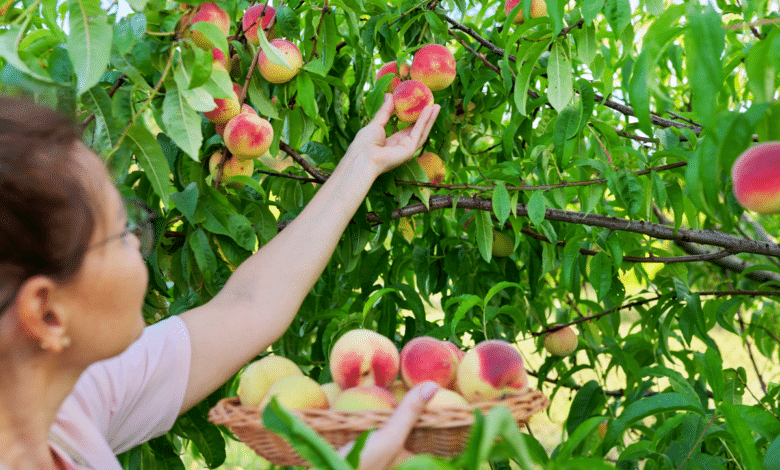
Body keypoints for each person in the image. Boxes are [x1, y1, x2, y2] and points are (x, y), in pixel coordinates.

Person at [0, 94, 441, 470]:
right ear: (47, 313)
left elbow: (249, 305)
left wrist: (360, 165)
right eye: (121, 231)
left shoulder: (62, 403)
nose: (138, 246)